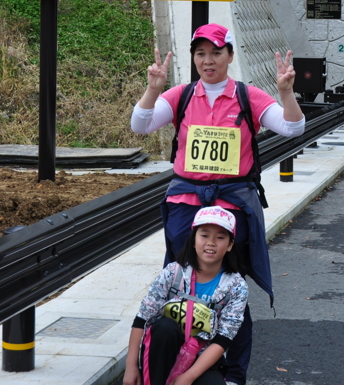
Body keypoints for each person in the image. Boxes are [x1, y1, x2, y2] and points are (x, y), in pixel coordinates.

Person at [131, 24, 306, 385]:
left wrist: (286, 93)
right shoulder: (181, 96)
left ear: (230, 55)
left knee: (228, 288)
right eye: (200, 54)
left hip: (231, 203)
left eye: (215, 53)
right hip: (185, 203)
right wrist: (153, 89)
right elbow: (140, 125)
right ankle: (164, 366)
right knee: (181, 283)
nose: (207, 61)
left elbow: (292, 128)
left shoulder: (247, 96)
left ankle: (231, 375)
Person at [124, 206, 249, 385]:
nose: (211, 242)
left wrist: (187, 377)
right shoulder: (173, 273)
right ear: (193, 240)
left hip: (201, 358)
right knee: (165, 327)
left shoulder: (237, 287)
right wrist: (131, 365)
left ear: (230, 245)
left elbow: (223, 339)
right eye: (204, 235)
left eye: (220, 237)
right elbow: (142, 318)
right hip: (161, 353)